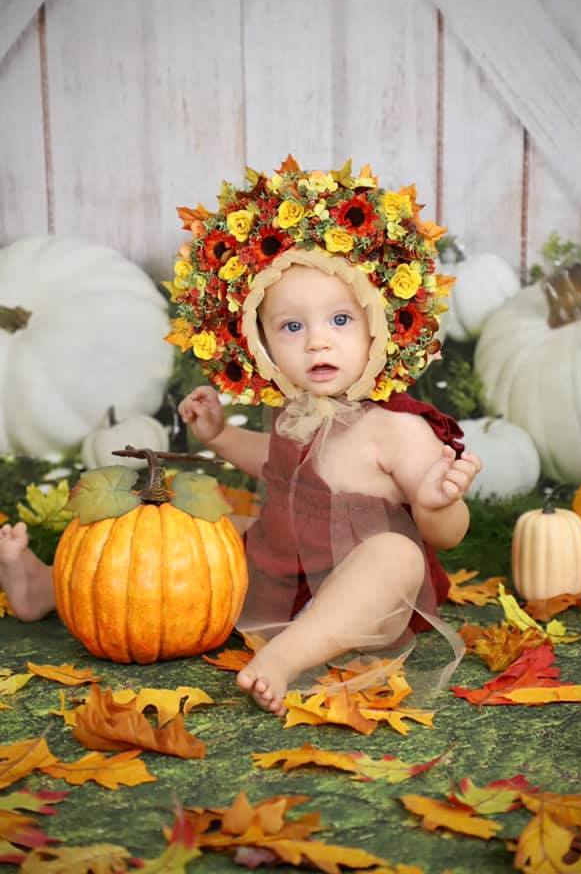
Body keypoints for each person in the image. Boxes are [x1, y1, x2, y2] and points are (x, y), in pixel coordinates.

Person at [0, 158, 482, 716]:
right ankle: (49, 586)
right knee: (182, 535)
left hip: (358, 596)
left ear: (378, 323)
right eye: (292, 327)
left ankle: (289, 653)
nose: (317, 343)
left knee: (397, 555)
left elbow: (446, 536)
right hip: (276, 568)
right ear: (263, 344)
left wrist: (436, 502)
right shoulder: (293, 413)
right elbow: (281, 468)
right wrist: (223, 437)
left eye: (340, 321)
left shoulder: (398, 428)